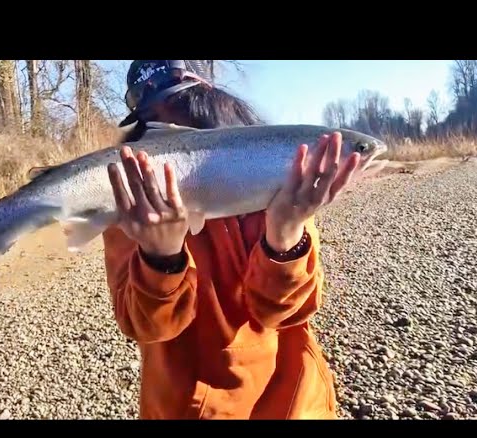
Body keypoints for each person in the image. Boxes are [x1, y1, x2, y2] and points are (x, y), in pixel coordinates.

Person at [102, 60, 360, 419]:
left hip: (293, 402)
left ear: (212, 104)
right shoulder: (131, 203)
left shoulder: (277, 183)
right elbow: (146, 327)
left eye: (183, 116)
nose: (174, 148)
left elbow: (288, 314)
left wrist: (284, 236)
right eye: (156, 129)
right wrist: (160, 258)